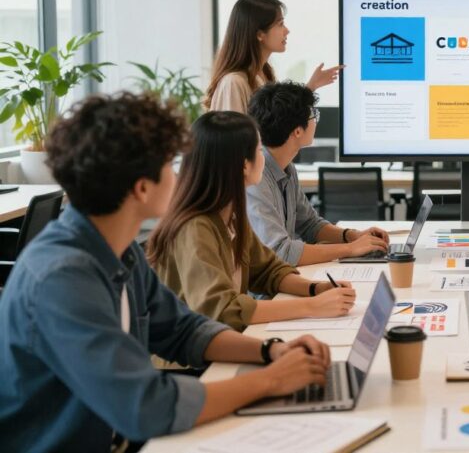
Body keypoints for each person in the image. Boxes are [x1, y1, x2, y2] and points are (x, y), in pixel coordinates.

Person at [0, 94, 333, 452]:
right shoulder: (63, 278)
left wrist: (271, 351)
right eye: (168, 165)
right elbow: (144, 405)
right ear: (142, 188)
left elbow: (183, 330)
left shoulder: (118, 250)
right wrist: (269, 382)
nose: (179, 174)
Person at [148, 111, 357, 331]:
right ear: (243, 165)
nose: (264, 157)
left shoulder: (229, 214)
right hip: (192, 362)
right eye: (258, 150)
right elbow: (223, 311)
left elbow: (268, 270)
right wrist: (312, 306)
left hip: (223, 341)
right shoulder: (195, 228)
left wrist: (316, 289)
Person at [246, 82, 390, 265]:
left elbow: (310, 224)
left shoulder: (287, 168)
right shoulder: (255, 179)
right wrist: (350, 249)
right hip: (264, 292)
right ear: (297, 131)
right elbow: (281, 252)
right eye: (313, 114)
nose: (316, 119)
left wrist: (353, 236)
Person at [204, 0, 341, 113]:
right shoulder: (234, 82)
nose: (287, 31)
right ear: (259, 34)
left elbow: (276, 125)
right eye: (280, 24)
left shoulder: (264, 74)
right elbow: (234, 139)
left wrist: (311, 87)